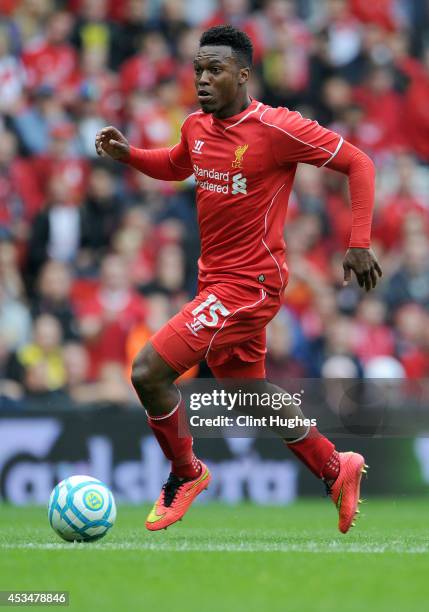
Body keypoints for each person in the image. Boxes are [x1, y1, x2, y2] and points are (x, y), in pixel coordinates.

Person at [95, 25, 381, 534]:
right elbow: (178, 165)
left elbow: (359, 162)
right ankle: (336, 467)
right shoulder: (196, 127)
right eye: (198, 70)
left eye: (215, 70)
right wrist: (129, 155)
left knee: (147, 372)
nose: (202, 79)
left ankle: (186, 473)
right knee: (245, 391)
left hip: (251, 286)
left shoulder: (277, 128)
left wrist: (358, 241)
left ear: (244, 74)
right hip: (215, 285)